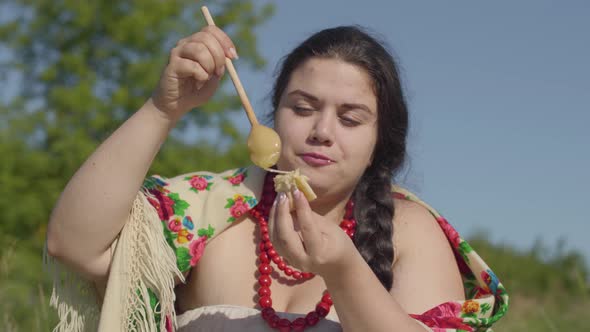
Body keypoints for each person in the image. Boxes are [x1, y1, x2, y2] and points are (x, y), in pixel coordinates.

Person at [45, 24, 508, 332]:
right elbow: (73, 244)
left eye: (350, 119)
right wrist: (163, 109)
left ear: (379, 143)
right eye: (302, 108)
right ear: (273, 118)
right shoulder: (210, 210)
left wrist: (343, 270)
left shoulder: (409, 230)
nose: (321, 132)